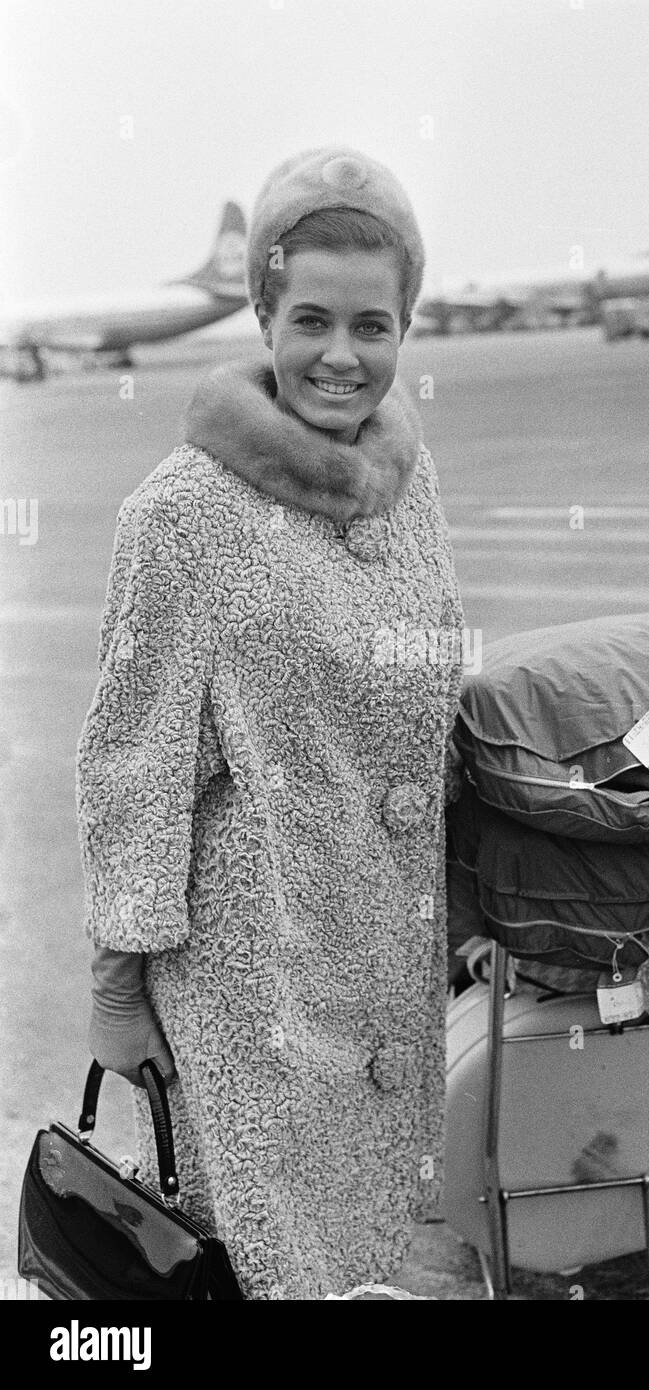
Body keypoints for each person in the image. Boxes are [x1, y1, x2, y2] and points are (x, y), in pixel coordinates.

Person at [76, 147, 465, 1300]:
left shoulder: (407, 473)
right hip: (253, 982)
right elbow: (131, 764)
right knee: (265, 1263)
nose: (341, 356)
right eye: (310, 319)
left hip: (387, 951)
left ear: (405, 328)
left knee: (376, 1249)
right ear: (260, 311)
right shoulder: (180, 516)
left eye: (373, 325)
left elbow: (432, 675)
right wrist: (115, 989)